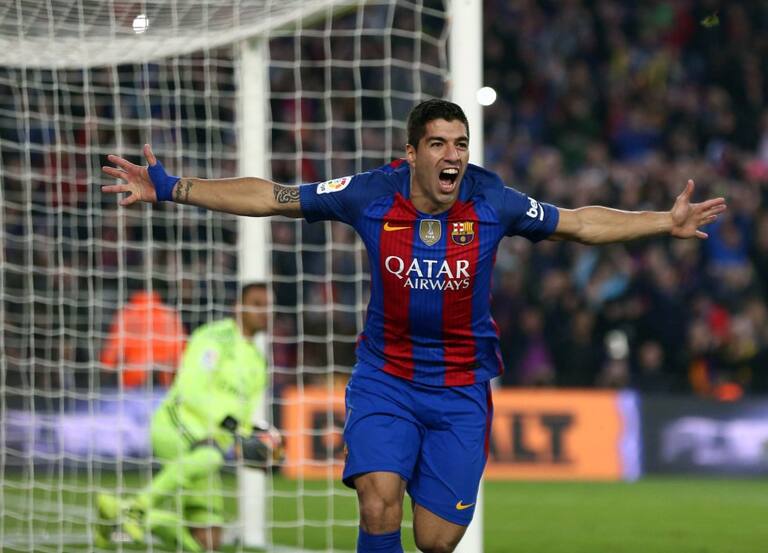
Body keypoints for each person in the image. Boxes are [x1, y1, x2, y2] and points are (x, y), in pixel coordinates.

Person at [102, 99, 726, 553]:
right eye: (439, 144)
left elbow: (580, 222)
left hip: (460, 388)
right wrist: (173, 187)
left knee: (435, 540)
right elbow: (275, 197)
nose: (453, 155)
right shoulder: (369, 194)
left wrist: (661, 222)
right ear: (411, 154)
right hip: (386, 378)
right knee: (378, 501)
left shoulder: (492, 200)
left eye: (461, 144)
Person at [95, 282, 281, 552]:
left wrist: (255, 443)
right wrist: (229, 426)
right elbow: (190, 390)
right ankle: (137, 507)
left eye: (268, 306)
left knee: (208, 543)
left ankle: (124, 516)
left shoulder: (258, 362)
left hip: (209, 445)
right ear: (238, 307)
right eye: (257, 304)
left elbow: (242, 418)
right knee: (211, 457)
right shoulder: (213, 338)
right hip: (177, 425)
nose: (265, 312)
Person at [100, 285, 186, 388]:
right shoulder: (170, 315)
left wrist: (105, 371)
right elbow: (182, 349)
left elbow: (111, 352)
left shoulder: (126, 316)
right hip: (166, 378)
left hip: (133, 379)